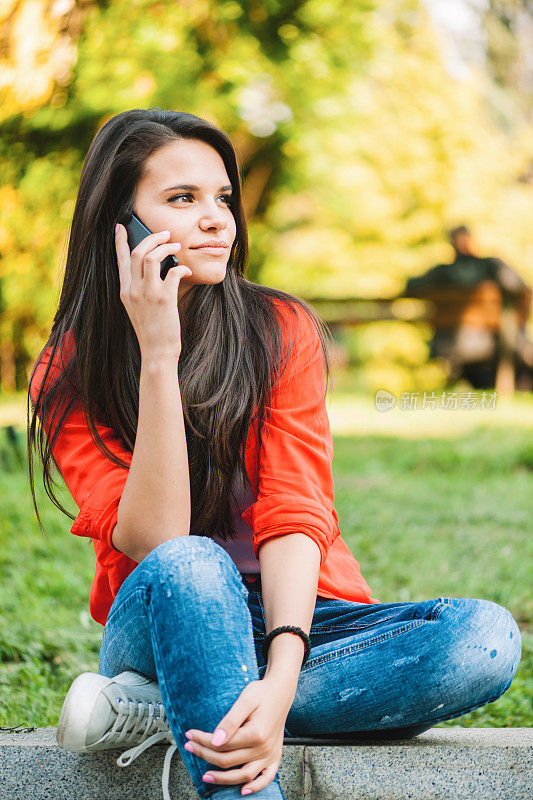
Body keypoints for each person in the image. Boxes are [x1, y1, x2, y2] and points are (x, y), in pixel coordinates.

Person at [28, 110, 522, 800]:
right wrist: (158, 354)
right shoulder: (68, 369)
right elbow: (159, 540)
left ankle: (180, 702)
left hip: (296, 615)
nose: (216, 220)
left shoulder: (280, 329)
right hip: (168, 605)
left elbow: (294, 512)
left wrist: (282, 682)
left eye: (221, 198)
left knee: (484, 638)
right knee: (194, 560)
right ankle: (215, 717)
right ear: (120, 224)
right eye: (181, 199)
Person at [404, 225, 533, 389]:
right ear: (472, 241)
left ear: (451, 245)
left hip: (449, 345)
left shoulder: (441, 273)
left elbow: (410, 286)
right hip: (495, 343)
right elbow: (519, 287)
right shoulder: (492, 266)